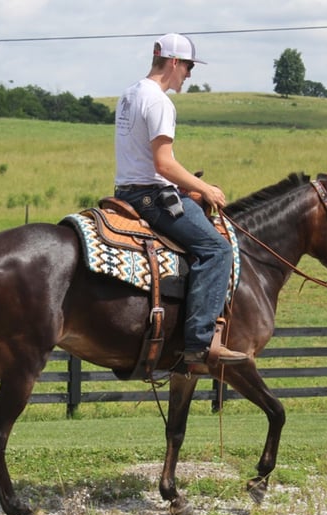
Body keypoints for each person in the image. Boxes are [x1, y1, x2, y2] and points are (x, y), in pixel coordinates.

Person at [114, 33, 248, 366]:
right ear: (173, 62)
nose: (189, 74)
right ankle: (199, 343)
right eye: (188, 66)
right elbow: (164, 164)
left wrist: (184, 186)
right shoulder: (160, 102)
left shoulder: (130, 94)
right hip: (151, 197)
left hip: (126, 191)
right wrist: (205, 190)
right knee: (217, 250)